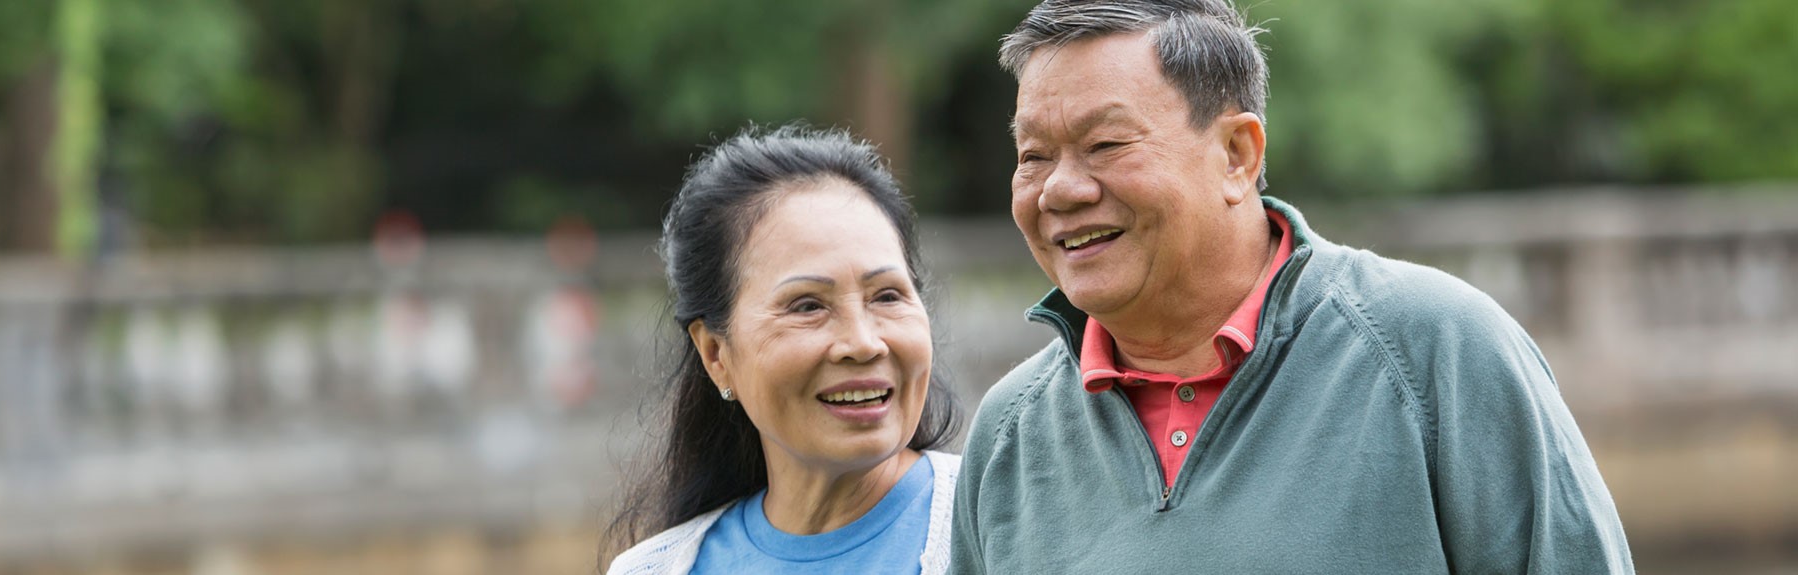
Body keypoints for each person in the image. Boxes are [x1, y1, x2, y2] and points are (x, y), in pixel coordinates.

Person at [949, 1, 1634, 573]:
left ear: (1237, 156)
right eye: (1033, 156)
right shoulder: (1010, 432)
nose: (1060, 190)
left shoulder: (1434, 350)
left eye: (1105, 146)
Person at [605, 126, 963, 575]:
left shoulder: (1006, 526)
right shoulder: (651, 570)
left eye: (887, 296)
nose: (863, 343)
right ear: (716, 354)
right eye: (807, 305)